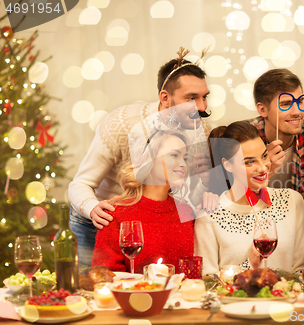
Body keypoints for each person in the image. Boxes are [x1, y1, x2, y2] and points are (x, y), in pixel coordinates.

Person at [69, 48, 216, 269]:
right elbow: (80, 183)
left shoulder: (199, 128)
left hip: (150, 220)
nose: (202, 107)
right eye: (191, 98)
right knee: (94, 289)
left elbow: (188, 183)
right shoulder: (120, 124)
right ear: (165, 98)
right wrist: (92, 208)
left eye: (204, 97)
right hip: (103, 218)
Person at [195, 121, 304, 274]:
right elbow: (207, 281)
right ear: (228, 165)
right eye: (250, 162)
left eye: (264, 156)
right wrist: (249, 265)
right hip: (236, 298)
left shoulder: (292, 201)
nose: (263, 168)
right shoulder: (208, 214)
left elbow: (303, 268)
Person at [92, 129, 194, 272]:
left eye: (185, 158)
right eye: (175, 155)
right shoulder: (116, 212)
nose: (183, 164)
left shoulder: (186, 212)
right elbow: (105, 275)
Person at [246, 68, 304, 232]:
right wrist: (265, 171)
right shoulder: (242, 139)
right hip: (247, 229)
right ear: (262, 110)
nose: (297, 112)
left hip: (294, 231)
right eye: (285, 104)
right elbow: (229, 200)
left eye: (299, 101)